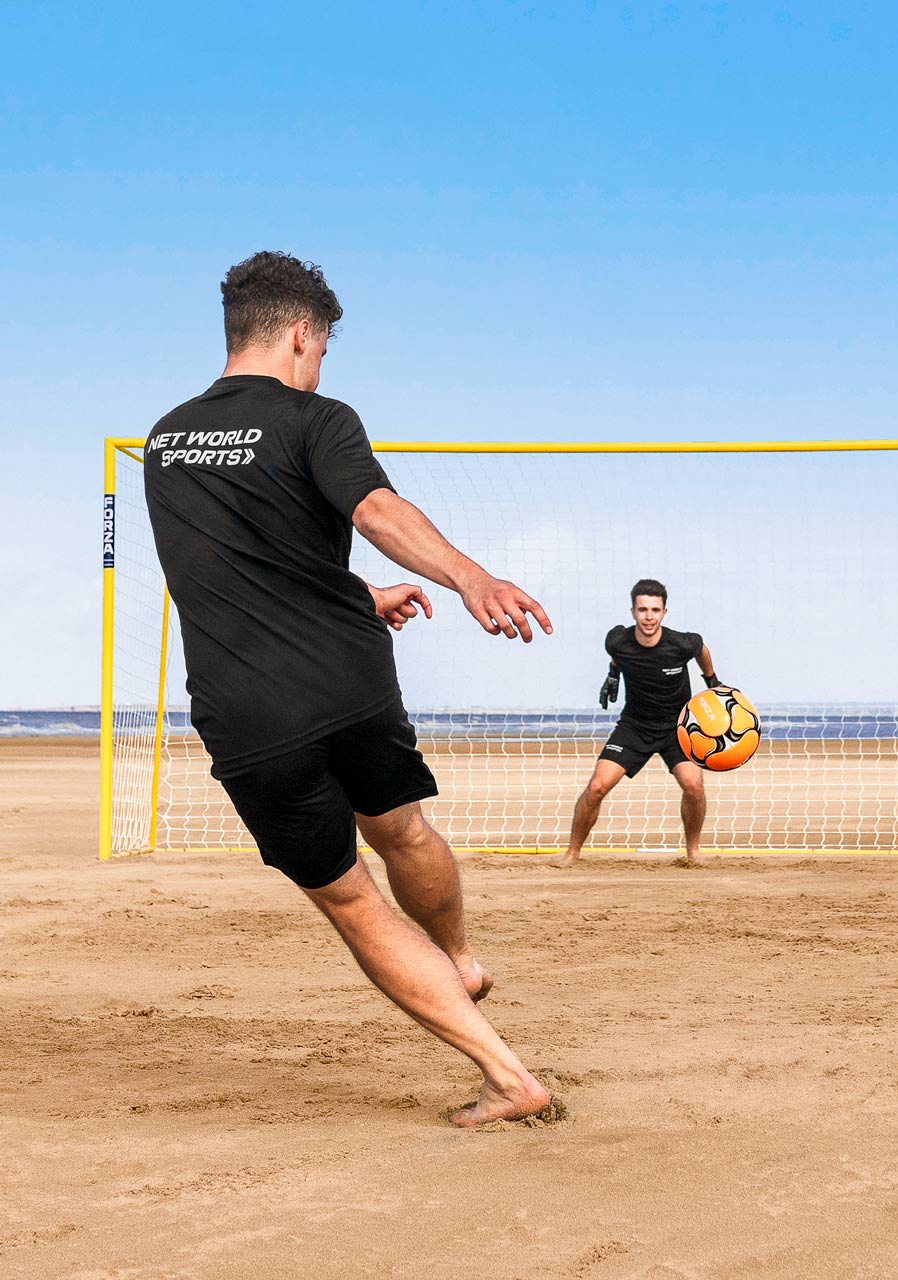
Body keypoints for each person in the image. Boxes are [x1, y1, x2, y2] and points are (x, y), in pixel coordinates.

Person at [144, 250, 551, 1128]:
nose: (322, 365)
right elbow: (370, 509)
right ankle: (461, 957)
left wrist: (374, 586)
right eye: (323, 347)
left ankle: (507, 1074)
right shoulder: (319, 417)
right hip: (349, 678)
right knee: (402, 827)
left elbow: (232, 569)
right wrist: (466, 578)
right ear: (303, 332)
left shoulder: (164, 440)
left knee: (351, 898)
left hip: (251, 709)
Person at [556, 579, 721, 866]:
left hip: (677, 729)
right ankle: (571, 854)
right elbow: (618, 656)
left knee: (693, 785)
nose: (649, 616)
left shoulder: (681, 643)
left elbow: (701, 650)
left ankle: (693, 853)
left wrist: (712, 682)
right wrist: (613, 675)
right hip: (634, 727)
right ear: (632, 611)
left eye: (655, 610)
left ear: (664, 613)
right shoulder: (616, 640)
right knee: (596, 787)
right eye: (643, 609)